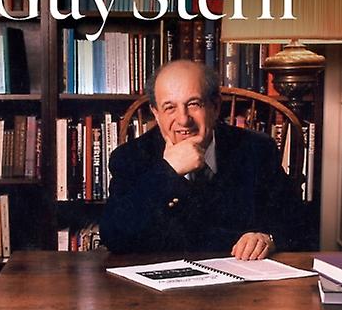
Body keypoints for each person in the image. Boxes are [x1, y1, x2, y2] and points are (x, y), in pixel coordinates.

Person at [100, 59, 304, 259]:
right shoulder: (130, 157)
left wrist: (268, 239)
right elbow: (114, 237)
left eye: (193, 104)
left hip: (240, 275)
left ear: (215, 107)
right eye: (170, 107)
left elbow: (299, 225)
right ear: (156, 113)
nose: (183, 119)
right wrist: (168, 171)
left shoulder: (257, 149)